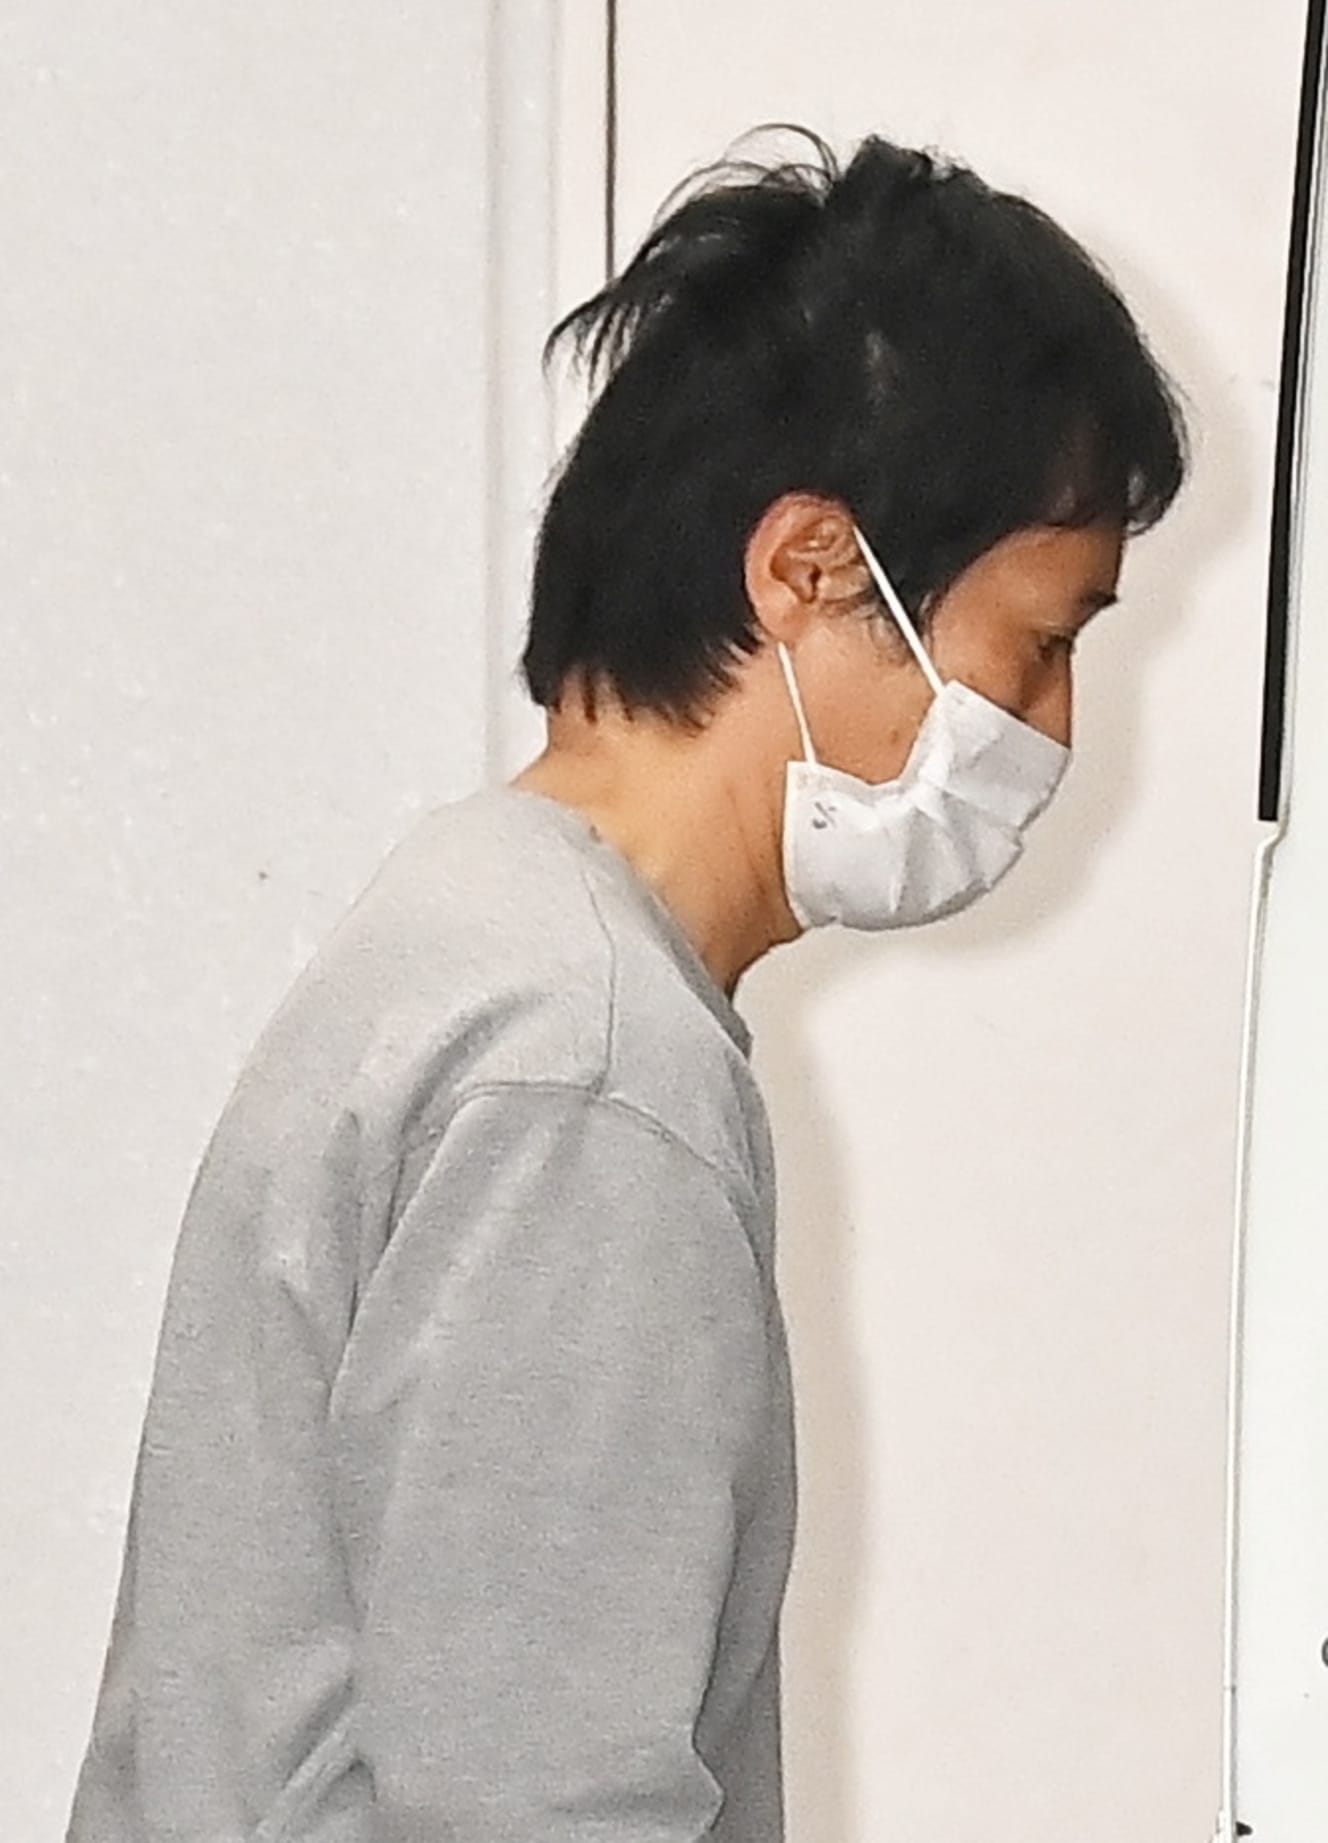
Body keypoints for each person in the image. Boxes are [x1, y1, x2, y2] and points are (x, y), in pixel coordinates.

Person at [66, 125, 1188, 1842]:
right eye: (1040, 643)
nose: (1054, 729)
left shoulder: (468, 923)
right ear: (810, 569)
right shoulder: (592, 1078)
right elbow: (540, 1805)